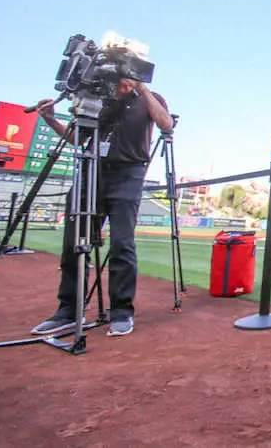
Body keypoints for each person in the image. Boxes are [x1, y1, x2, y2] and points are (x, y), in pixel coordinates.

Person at [30, 77, 172, 337]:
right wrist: (51, 120)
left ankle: (121, 311)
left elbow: (166, 123)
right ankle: (68, 311)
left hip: (128, 172)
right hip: (91, 169)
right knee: (74, 241)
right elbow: (77, 138)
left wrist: (142, 87)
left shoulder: (149, 98)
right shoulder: (99, 98)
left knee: (122, 244)